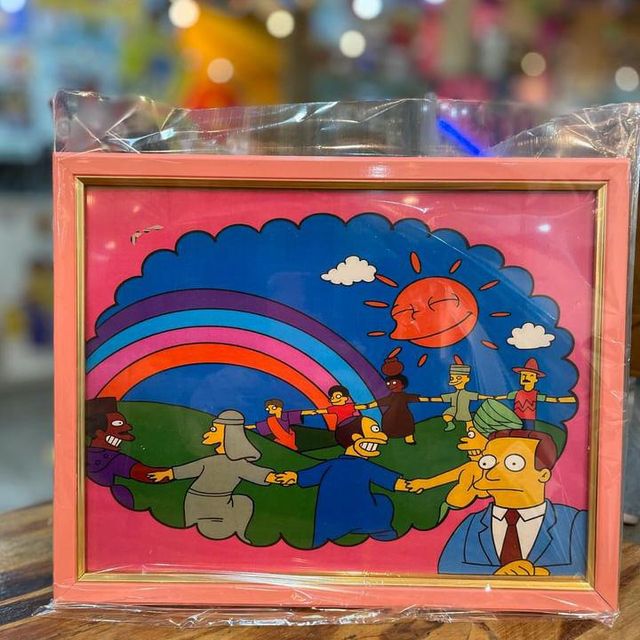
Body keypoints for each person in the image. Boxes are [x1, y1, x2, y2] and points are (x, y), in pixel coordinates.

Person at [438, 430, 587, 576]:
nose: (492, 473)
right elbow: (446, 568)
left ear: (543, 475)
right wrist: (496, 574)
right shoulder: (472, 523)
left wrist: (545, 575)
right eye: (488, 463)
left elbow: (589, 569)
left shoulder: (575, 521)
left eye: (513, 463)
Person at [276, 416, 412, 547]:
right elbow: (399, 484)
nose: (383, 437)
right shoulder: (365, 466)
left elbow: (302, 476)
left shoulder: (332, 464)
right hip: (358, 517)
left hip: (329, 523)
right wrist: (418, 484)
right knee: (383, 502)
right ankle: (385, 536)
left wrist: (291, 477)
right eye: (374, 430)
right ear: (355, 437)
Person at [149, 409, 280, 542]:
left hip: (219, 506)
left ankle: (237, 535)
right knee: (198, 532)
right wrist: (169, 473)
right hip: (198, 503)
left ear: (228, 433)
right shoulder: (213, 461)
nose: (207, 433)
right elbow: (190, 469)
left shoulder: (238, 464)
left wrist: (280, 478)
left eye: (213, 429)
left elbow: (258, 474)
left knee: (243, 502)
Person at [86, 397, 169, 509]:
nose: (127, 428)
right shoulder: (113, 459)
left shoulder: (84, 453)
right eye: (118, 424)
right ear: (99, 433)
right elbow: (146, 474)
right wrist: (174, 473)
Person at [494, 358, 576, 430]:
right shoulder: (516, 393)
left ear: (536, 379)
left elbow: (554, 400)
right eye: (523, 375)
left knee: (528, 436)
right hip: (515, 421)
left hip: (529, 421)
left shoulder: (536, 395)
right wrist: (485, 397)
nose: (526, 378)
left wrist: (574, 399)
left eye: (530, 376)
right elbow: (498, 397)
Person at [427, 356, 491, 432]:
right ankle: (450, 424)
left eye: (458, 378)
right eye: (452, 378)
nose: (454, 380)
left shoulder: (467, 394)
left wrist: (492, 397)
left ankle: (472, 432)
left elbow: (479, 396)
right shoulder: (453, 395)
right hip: (453, 409)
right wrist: (425, 399)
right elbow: (441, 399)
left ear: (467, 379)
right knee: (446, 415)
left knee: (469, 423)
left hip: (464, 411)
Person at [367, 374, 430, 445]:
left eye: (394, 383)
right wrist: (365, 406)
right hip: (390, 417)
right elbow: (378, 402)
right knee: (389, 427)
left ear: (402, 385)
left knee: (407, 427)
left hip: (404, 416)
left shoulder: (405, 396)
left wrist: (436, 399)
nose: (390, 385)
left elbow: (419, 399)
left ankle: (409, 438)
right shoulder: (390, 397)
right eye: (388, 384)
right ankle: (387, 437)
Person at [245, 398, 315, 451]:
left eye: (272, 408)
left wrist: (317, 411)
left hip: (289, 440)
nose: (270, 410)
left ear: (279, 408)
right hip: (279, 443)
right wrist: (242, 427)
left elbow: (301, 413)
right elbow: (256, 426)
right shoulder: (271, 420)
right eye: (268, 408)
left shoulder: (287, 415)